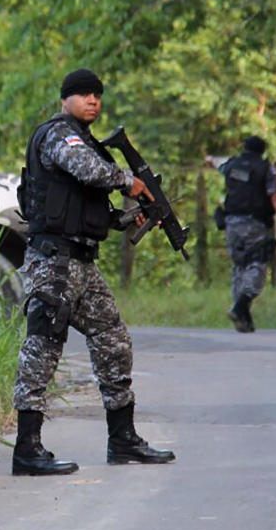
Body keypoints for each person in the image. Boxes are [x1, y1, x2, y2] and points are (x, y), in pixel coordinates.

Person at [12, 68, 176, 477]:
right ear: (66, 98)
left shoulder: (90, 144)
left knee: (114, 340)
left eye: (98, 95)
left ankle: (122, 440)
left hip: (81, 263)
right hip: (53, 263)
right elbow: (87, 170)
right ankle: (26, 449)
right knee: (43, 348)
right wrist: (130, 182)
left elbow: (92, 211)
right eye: (84, 94)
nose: (93, 100)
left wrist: (129, 219)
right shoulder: (59, 135)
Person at [205, 136, 276, 333]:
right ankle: (241, 305)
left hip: (231, 223)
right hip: (254, 223)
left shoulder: (232, 164)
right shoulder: (265, 168)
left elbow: (213, 161)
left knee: (240, 265)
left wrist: (209, 159)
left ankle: (243, 318)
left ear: (244, 148)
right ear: (262, 151)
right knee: (257, 263)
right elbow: (275, 197)